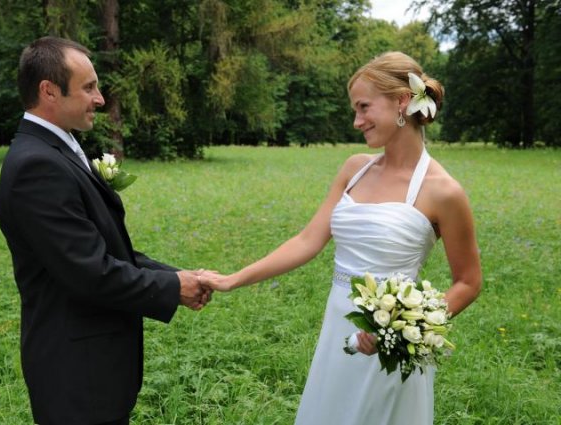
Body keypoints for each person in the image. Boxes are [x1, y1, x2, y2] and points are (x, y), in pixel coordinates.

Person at [202, 51, 482, 424]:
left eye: (364, 107)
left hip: (390, 345)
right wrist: (233, 279)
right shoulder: (355, 169)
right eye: (355, 109)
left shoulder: (444, 191)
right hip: (338, 322)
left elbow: (469, 282)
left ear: (402, 101)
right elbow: (307, 241)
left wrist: (402, 328)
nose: (356, 121)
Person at [0, 36, 211, 425]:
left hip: (93, 370)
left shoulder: (60, 150)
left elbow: (104, 250)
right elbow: (89, 271)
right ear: (49, 91)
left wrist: (178, 275)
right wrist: (172, 287)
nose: (100, 99)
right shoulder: (37, 167)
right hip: (75, 375)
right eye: (89, 88)